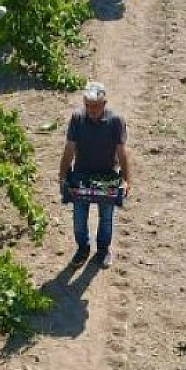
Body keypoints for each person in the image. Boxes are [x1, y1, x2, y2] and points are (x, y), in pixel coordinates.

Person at [58, 82, 131, 266]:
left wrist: (126, 179)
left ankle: (103, 249)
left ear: (104, 104)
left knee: (106, 217)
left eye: (96, 107)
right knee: (79, 217)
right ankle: (83, 248)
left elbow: (122, 151)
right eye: (88, 106)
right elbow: (69, 149)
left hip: (107, 175)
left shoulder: (116, 121)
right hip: (82, 174)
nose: (91, 111)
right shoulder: (77, 118)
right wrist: (63, 175)